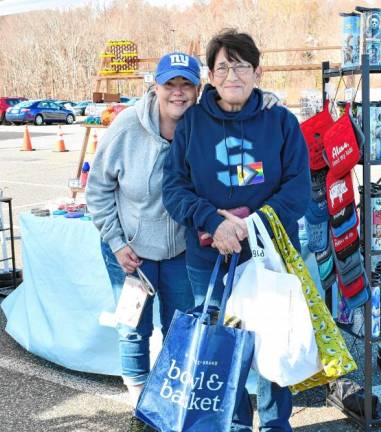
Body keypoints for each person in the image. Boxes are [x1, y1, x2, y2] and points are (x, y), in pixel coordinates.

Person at [87, 51, 280, 432]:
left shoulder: (203, 123)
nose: (177, 93)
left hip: (178, 252)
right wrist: (115, 242)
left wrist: (269, 99)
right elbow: (97, 190)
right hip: (131, 253)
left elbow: (239, 101)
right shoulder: (126, 128)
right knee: (133, 329)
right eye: (169, 84)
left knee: (178, 330)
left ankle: (168, 396)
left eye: (186, 85)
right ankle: (141, 404)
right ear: (155, 86)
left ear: (198, 88)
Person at [162, 29, 310, 432]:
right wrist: (214, 222)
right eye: (223, 66)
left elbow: (298, 188)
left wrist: (249, 226)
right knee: (222, 348)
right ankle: (237, 421)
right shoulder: (192, 123)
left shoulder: (281, 121)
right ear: (210, 76)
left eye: (241, 65)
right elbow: (174, 188)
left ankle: (277, 423)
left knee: (273, 339)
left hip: (270, 256)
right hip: (210, 258)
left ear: (257, 71)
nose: (232, 75)